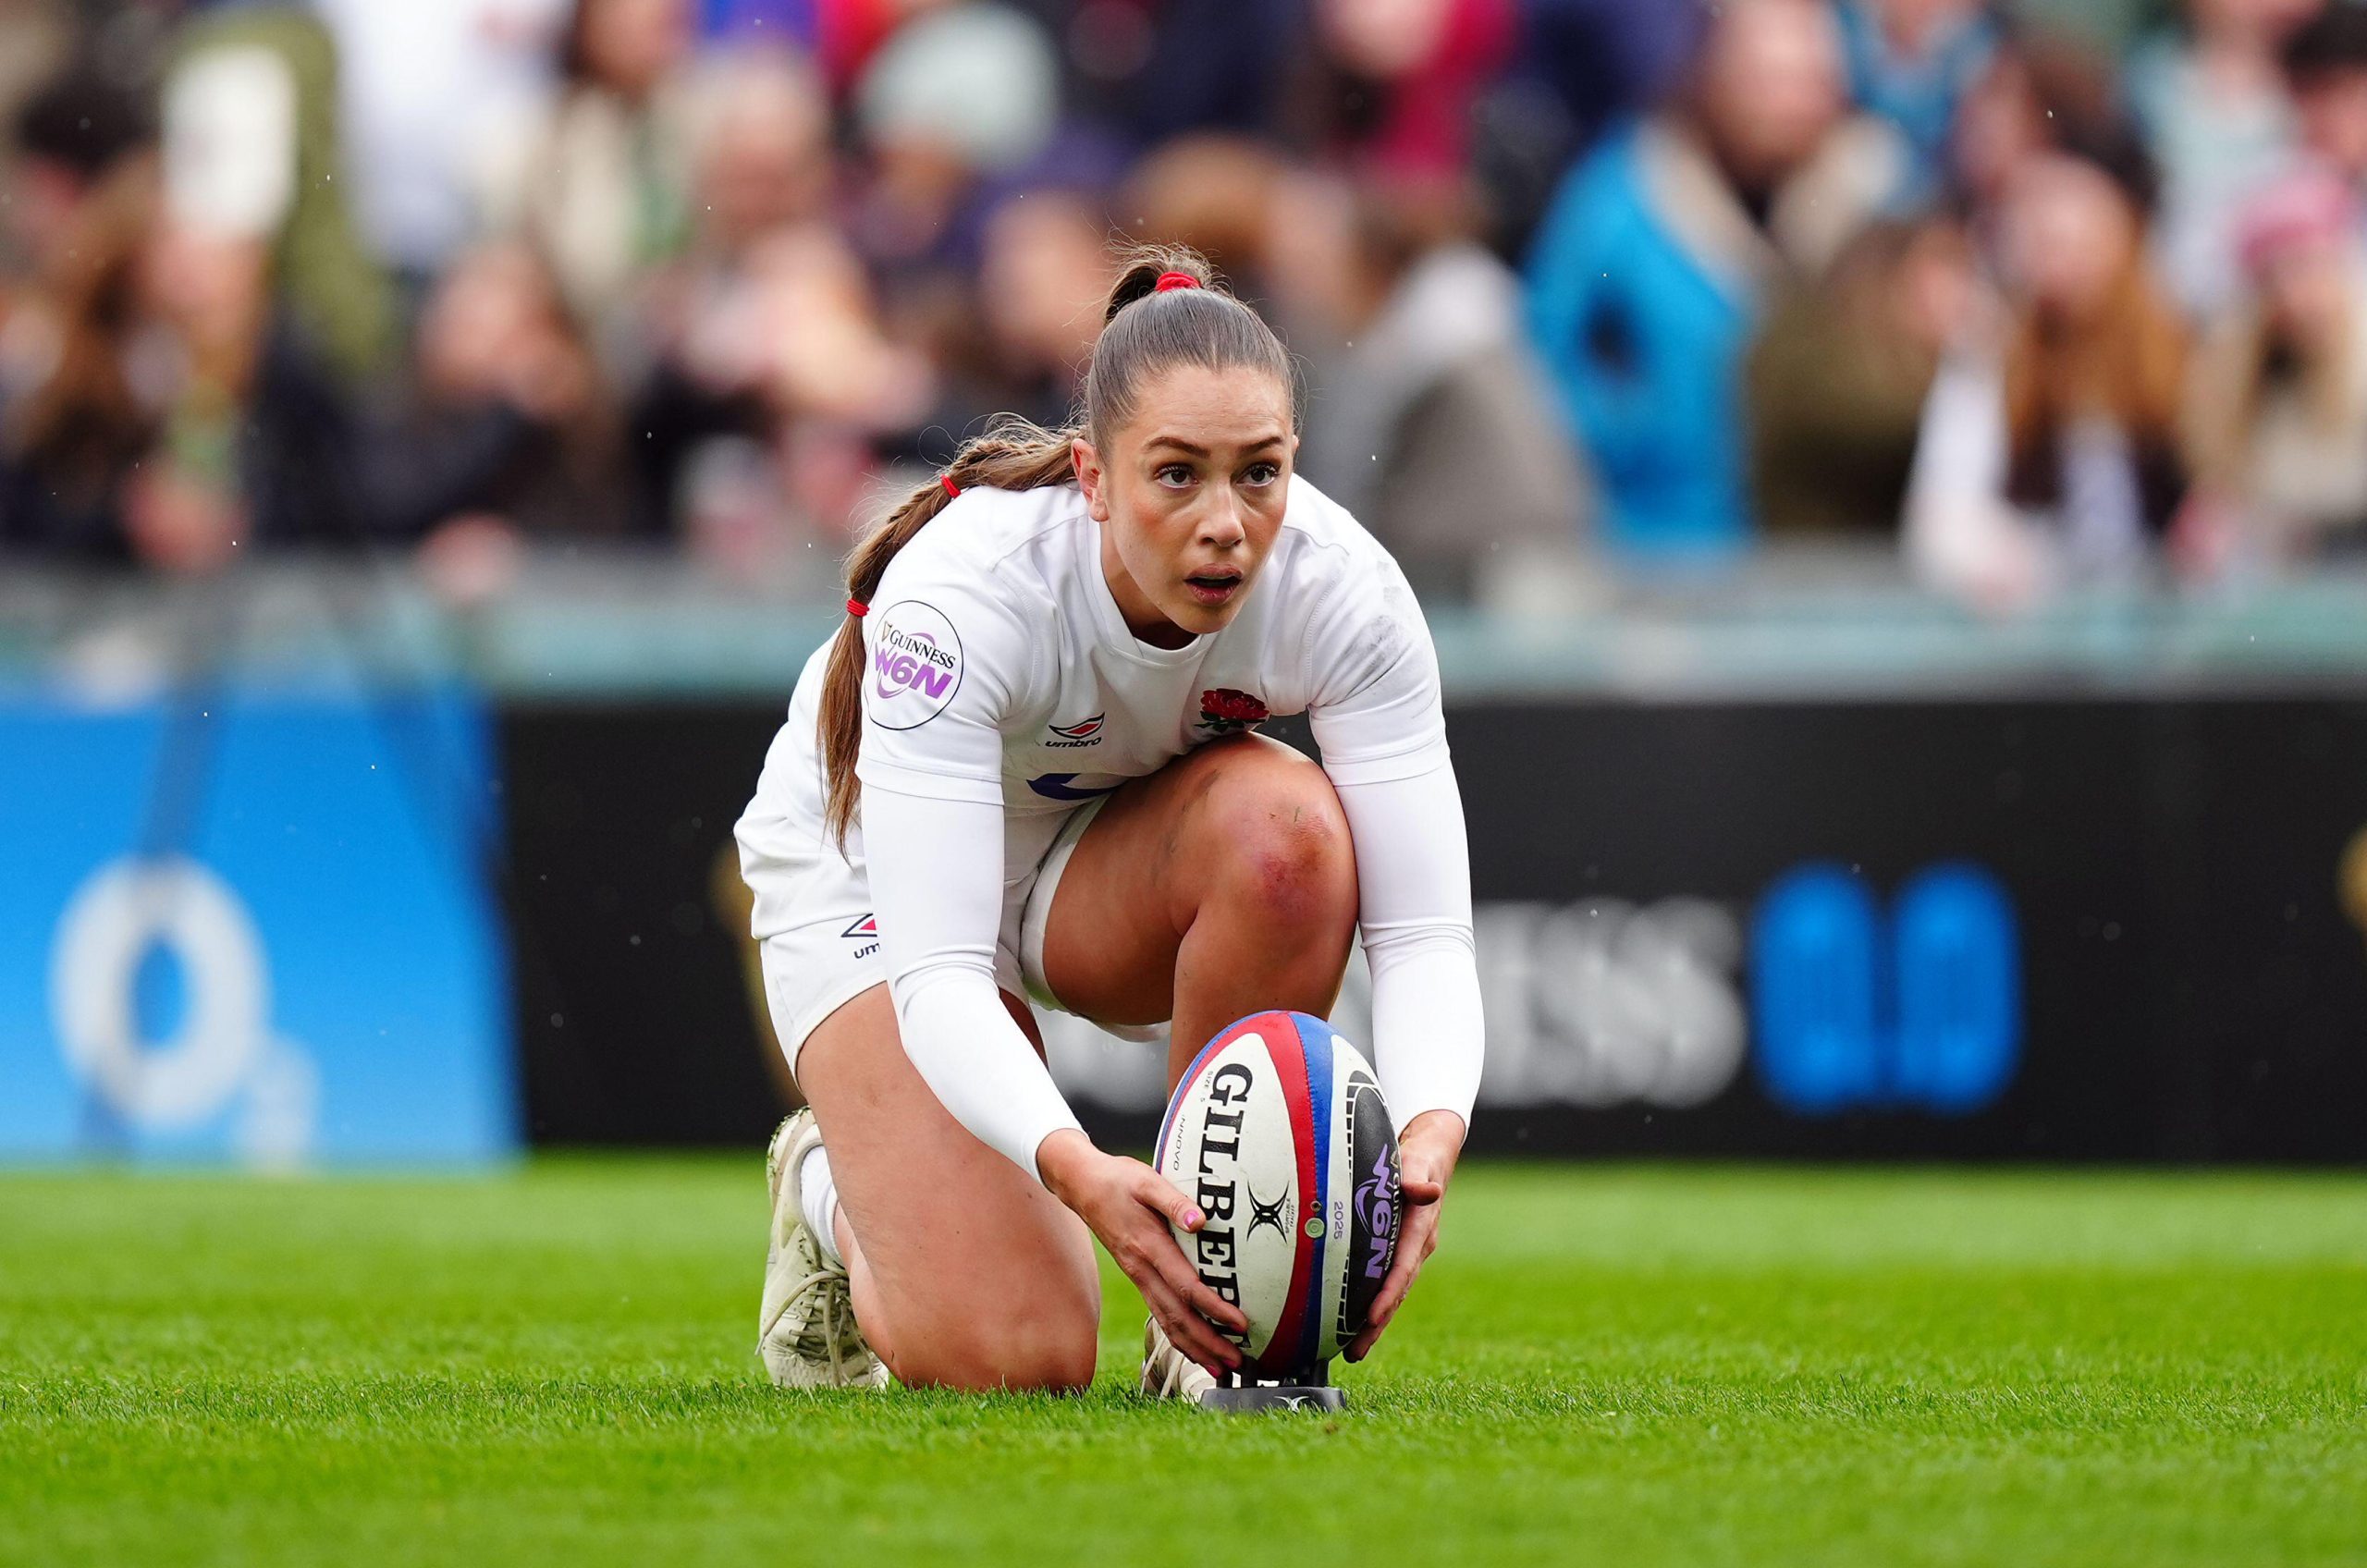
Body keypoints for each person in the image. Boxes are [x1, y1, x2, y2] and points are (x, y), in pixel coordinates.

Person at [731, 246, 1482, 1395]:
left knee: (1289, 835)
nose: (1226, 523)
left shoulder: (1346, 591)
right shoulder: (964, 597)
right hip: (879, 891)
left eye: (1261, 473)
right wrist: (1076, 1168)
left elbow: (1423, 933)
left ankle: (1207, 1324)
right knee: (1016, 1357)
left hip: (1083, 869)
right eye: (1176, 475)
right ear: (1091, 474)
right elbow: (939, 972)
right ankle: (830, 1189)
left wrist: (1431, 1131)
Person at [1524, 0, 1901, 559]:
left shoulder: (1878, 200)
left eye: (1805, 82)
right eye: (1764, 79)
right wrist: (1635, 430)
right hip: (1660, 547)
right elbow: (1544, 355)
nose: (1785, 105)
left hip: (1840, 555)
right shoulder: (1624, 194)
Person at [1906, 133, 2189, 607]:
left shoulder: (2177, 347)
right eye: (2045, 246)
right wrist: (2011, 565)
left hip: (2164, 608)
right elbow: (1947, 508)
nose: (2063, 267)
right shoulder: (1991, 358)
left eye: (2079, 246)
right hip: (2043, 611)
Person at [2182, 165, 2367, 566]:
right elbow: (2225, 483)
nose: (2296, 295)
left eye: (2310, 268)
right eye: (2277, 279)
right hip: (2281, 564)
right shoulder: (2236, 371)